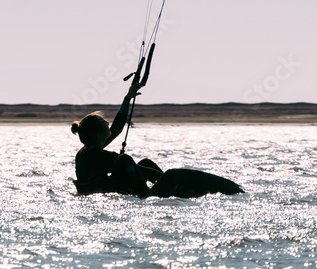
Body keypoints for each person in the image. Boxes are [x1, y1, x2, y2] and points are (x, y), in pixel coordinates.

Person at [71, 83, 243, 198]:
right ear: (98, 133)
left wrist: (127, 98)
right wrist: (164, 178)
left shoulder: (88, 150)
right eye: (104, 124)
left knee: (145, 162)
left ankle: (169, 185)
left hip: (110, 187)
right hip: (139, 194)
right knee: (129, 161)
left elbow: (116, 128)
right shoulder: (97, 156)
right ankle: (169, 188)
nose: (108, 123)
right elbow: (132, 167)